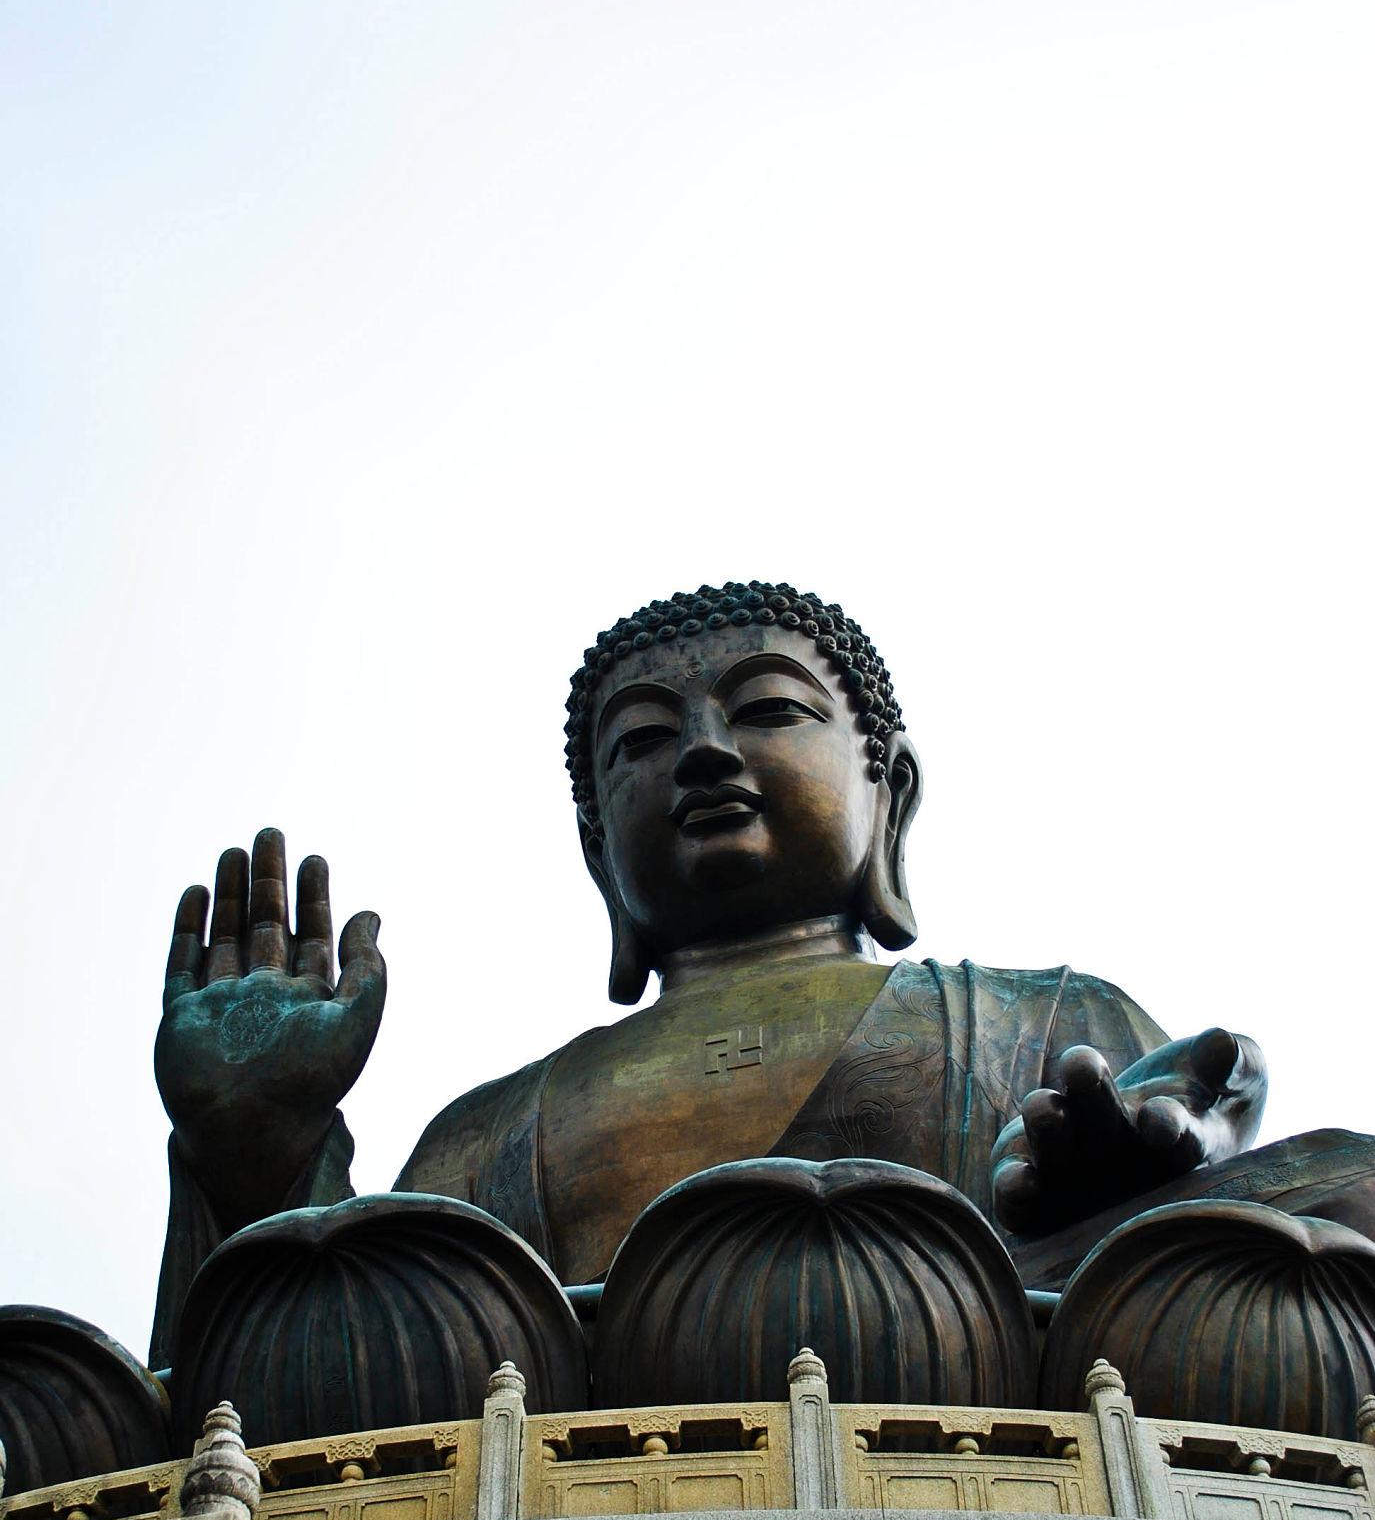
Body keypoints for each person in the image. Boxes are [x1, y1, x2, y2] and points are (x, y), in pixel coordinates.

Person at [150, 580, 1273, 1365]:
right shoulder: (489, 1131)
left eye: (769, 708)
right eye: (640, 739)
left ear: (891, 796)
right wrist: (256, 1152)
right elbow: (349, 1355)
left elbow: (1196, 1145)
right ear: (598, 850)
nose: (699, 749)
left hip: (986, 1401)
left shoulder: (1039, 1019)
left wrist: (1142, 1175)